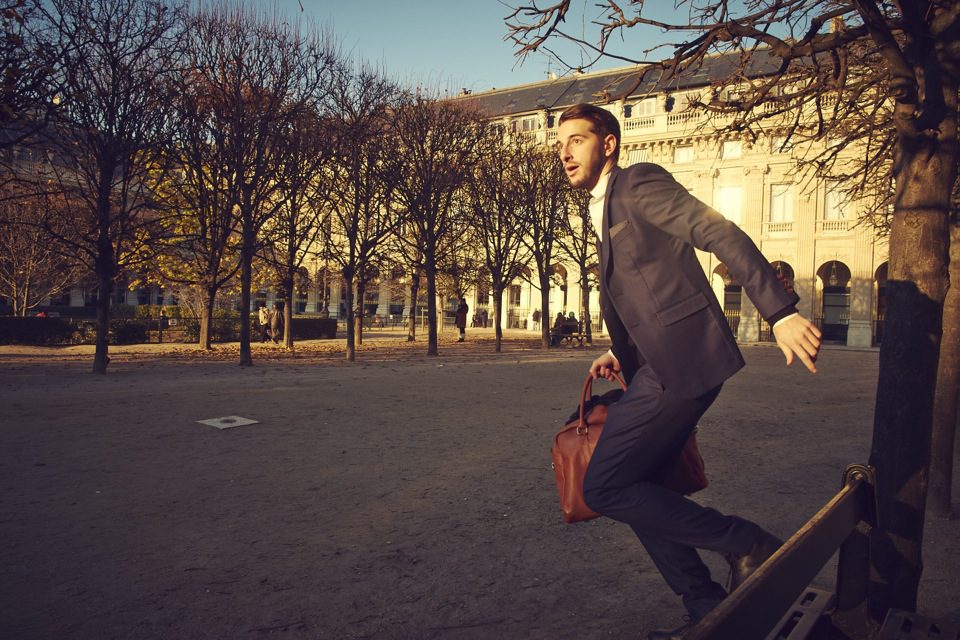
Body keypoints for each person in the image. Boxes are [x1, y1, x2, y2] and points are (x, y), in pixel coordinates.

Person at [556, 103, 822, 639]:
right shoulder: (605, 206)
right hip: (659, 360)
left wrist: (780, 311)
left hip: (683, 362)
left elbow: (718, 232)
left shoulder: (637, 184)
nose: (565, 153)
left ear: (608, 144)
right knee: (639, 487)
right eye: (560, 145)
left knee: (604, 485)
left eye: (577, 141)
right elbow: (646, 286)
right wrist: (620, 348)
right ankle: (707, 610)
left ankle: (748, 544)